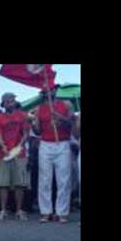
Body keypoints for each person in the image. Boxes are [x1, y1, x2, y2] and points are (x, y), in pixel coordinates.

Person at [34, 85, 75, 223]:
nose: (49, 92)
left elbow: (72, 125)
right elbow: (38, 131)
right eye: (46, 90)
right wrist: (34, 124)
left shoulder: (67, 104)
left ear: (55, 90)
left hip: (62, 143)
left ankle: (61, 212)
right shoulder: (39, 109)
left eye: (51, 89)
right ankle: (46, 212)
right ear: (43, 93)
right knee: (44, 179)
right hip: (45, 144)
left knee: (63, 179)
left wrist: (59, 118)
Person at [0, 89, 31, 221]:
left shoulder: (22, 115)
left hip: (19, 153)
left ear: (15, 102)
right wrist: (3, 147)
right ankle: (3, 210)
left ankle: (19, 210)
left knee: (19, 183)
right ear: (3, 104)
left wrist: (19, 145)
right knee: (3, 183)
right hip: (3, 153)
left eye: (12, 101)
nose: (10, 103)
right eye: (7, 102)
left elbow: (26, 133)